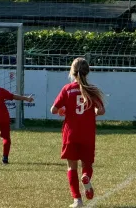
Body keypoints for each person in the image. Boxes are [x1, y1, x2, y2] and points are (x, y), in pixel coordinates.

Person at [50, 57, 106, 207]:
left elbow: (53, 109)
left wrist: (62, 110)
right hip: (87, 133)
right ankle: (86, 176)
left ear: (72, 71)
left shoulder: (67, 89)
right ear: (87, 72)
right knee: (87, 164)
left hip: (71, 134)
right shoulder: (92, 90)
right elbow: (101, 111)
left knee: (71, 167)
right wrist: (93, 111)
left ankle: (77, 200)